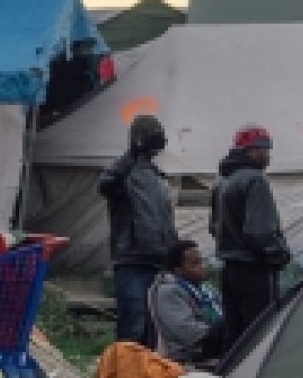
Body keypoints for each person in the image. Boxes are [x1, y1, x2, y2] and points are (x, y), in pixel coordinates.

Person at [97, 114, 177, 342]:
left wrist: (175, 252)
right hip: (132, 260)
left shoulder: (159, 178)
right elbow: (105, 184)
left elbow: (166, 221)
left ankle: (145, 375)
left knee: (155, 328)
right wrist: (131, 154)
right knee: (133, 325)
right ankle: (124, 374)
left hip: (159, 262)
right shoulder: (123, 173)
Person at [211, 124, 289, 343]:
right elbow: (259, 232)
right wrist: (279, 253)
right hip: (254, 270)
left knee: (234, 335)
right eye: (263, 148)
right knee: (259, 335)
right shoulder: (255, 179)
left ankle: (230, 377)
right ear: (249, 151)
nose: (267, 154)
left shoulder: (222, 181)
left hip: (229, 270)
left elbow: (214, 227)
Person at [148, 240, 227, 364]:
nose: (203, 266)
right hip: (189, 354)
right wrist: (223, 331)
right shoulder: (168, 292)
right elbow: (188, 331)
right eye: (196, 263)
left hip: (215, 343)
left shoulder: (206, 288)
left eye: (202, 261)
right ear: (178, 270)